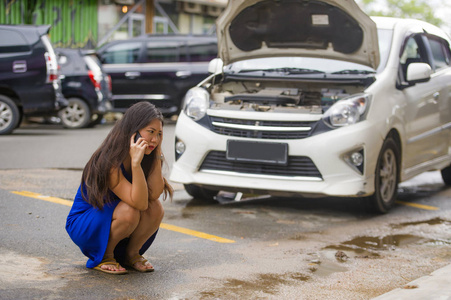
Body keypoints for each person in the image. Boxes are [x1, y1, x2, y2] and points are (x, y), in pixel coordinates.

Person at [66, 102, 173, 275]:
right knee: (130, 210)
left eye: (159, 134)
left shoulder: (148, 154)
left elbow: (154, 194)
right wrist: (136, 165)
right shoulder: (109, 161)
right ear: (133, 131)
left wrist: (156, 154)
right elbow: (139, 204)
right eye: (150, 132)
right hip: (86, 223)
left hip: (119, 218)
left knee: (156, 208)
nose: (155, 139)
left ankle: (132, 254)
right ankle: (105, 256)